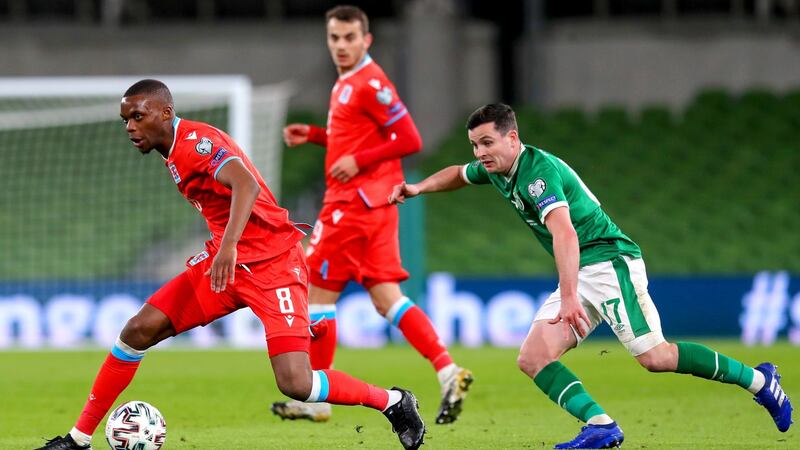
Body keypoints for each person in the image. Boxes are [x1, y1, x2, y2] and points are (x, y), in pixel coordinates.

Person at [35, 79, 425, 450]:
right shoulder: (172, 152)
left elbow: (246, 184)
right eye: (125, 120)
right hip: (226, 265)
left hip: (273, 264)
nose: (130, 127)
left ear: (166, 112)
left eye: (138, 116)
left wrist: (229, 246)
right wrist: (225, 251)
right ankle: (78, 439)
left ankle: (392, 401)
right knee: (138, 330)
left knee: (296, 383)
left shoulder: (197, 143)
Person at [389, 103, 793, 448]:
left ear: (513, 138)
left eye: (487, 143)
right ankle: (601, 427)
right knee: (533, 357)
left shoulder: (536, 173)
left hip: (608, 262)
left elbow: (564, 232)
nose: (480, 153)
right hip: (583, 269)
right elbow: (459, 174)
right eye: (475, 145)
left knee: (656, 357)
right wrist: (418, 187)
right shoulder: (495, 168)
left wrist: (568, 297)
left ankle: (760, 381)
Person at [271, 5, 472, 425]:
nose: (341, 46)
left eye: (349, 38)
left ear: (367, 40)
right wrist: (314, 136)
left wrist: (360, 160)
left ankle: (318, 393)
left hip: (352, 206)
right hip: (373, 205)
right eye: (335, 38)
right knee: (387, 299)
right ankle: (448, 370)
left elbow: (410, 137)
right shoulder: (347, 82)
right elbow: (351, 140)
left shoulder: (371, 81)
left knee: (315, 294)